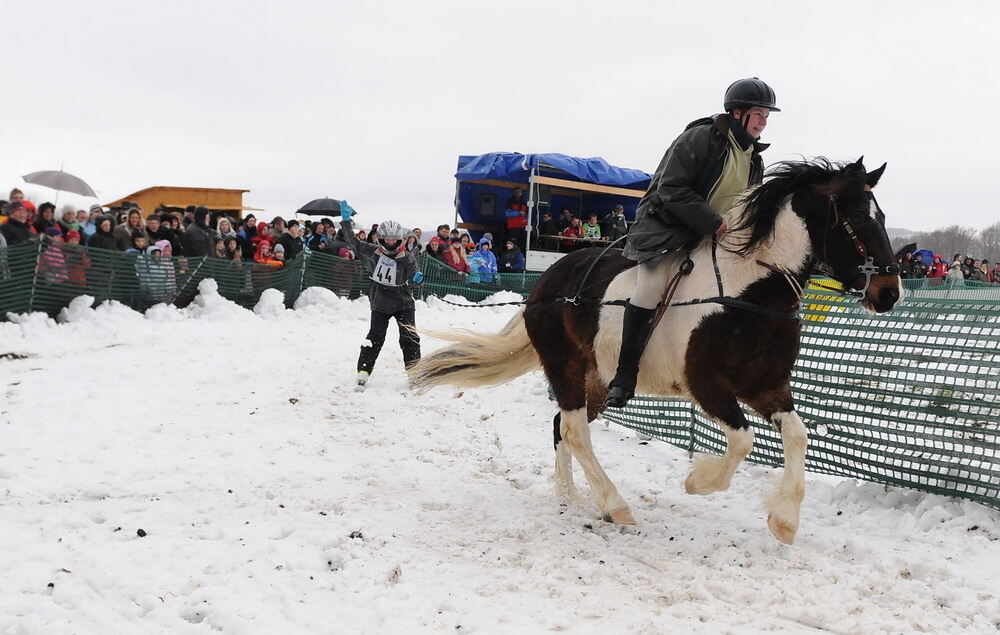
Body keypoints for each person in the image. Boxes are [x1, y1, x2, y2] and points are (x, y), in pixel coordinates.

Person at [607, 77, 779, 408]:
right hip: (665, 230)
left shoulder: (754, 158)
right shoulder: (700, 138)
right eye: (759, 113)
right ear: (737, 112)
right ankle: (624, 375)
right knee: (651, 287)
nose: (764, 122)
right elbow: (671, 189)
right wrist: (715, 222)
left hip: (711, 237)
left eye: (767, 116)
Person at [340, 204, 422, 390]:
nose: (391, 243)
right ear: (381, 239)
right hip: (381, 303)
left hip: (404, 303)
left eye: (395, 239)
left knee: (410, 338)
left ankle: (414, 373)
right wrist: (346, 222)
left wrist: (417, 279)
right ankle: (363, 371)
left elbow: (414, 276)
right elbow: (353, 241)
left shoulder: (407, 257)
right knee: (375, 337)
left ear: (400, 239)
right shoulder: (372, 251)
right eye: (388, 239)